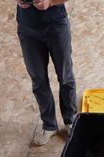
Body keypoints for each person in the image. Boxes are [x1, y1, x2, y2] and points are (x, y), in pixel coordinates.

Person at [17, 0, 77, 147]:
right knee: (38, 80)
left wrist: (50, 2)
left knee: (65, 76)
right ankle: (49, 125)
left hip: (56, 24)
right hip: (27, 28)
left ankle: (70, 119)